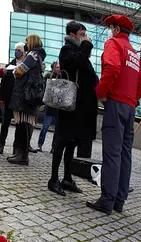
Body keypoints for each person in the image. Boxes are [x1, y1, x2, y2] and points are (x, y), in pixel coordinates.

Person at [86, 15, 141, 215]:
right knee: (124, 154)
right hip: (130, 107)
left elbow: (111, 68)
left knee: (111, 153)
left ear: (116, 29)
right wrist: (131, 99)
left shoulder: (114, 44)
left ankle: (106, 200)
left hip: (116, 104)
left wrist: (100, 92)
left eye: (111, 28)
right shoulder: (133, 53)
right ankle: (119, 200)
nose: (110, 31)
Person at [49, 21, 99, 196]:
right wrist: (86, 45)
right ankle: (53, 179)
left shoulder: (81, 52)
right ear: (72, 35)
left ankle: (67, 178)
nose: (85, 37)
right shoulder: (67, 50)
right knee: (62, 141)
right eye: (81, 34)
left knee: (72, 142)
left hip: (80, 107)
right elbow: (74, 63)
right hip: (68, 105)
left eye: (85, 34)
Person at [7, 34, 46, 166]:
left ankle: (22, 156)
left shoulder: (32, 55)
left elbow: (19, 71)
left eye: (26, 41)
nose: (25, 44)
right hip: (30, 96)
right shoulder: (39, 56)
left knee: (22, 127)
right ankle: (20, 154)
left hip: (24, 96)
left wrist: (14, 71)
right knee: (24, 126)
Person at [0, 43, 25, 154]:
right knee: (5, 123)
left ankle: (16, 148)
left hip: (19, 100)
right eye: (16, 50)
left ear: (23, 52)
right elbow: (3, 83)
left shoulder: (25, 66)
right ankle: (1, 145)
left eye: (19, 50)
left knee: (19, 125)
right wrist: (2, 97)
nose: (16, 52)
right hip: (9, 98)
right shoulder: (10, 65)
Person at [37, 61, 60, 152]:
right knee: (45, 126)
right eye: (57, 67)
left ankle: (54, 147)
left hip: (58, 106)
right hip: (50, 106)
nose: (58, 69)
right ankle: (40, 144)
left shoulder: (62, 76)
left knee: (57, 129)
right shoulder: (48, 76)